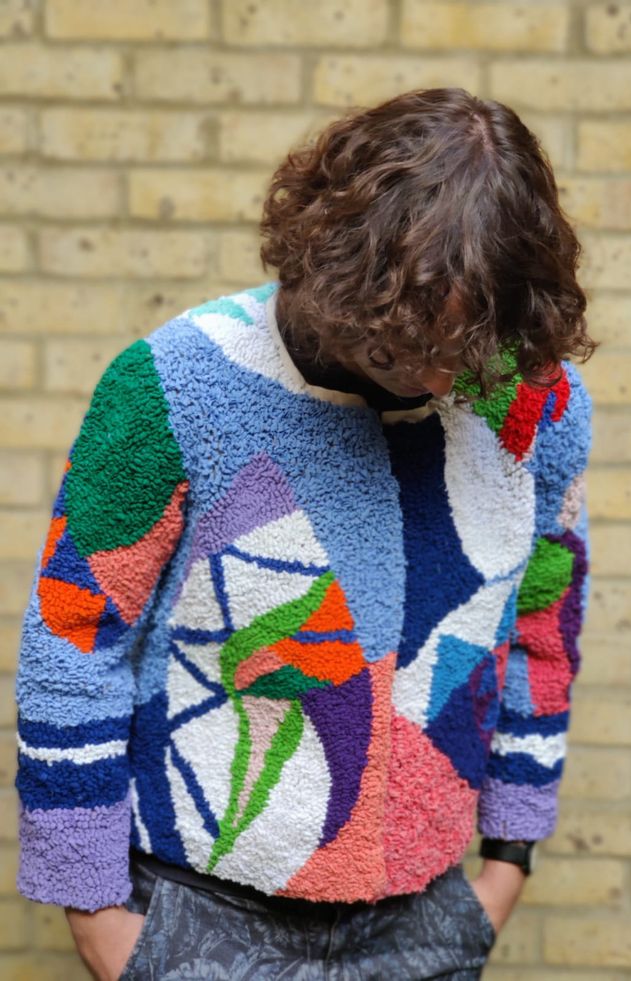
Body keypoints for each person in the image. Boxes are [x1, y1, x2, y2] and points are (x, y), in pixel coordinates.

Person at [14, 87, 596, 980]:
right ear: (343, 269)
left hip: (427, 919)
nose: (446, 374)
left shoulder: (535, 406)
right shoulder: (173, 382)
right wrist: (95, 910)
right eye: (413, 344)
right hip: (195, 911)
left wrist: (506, 861)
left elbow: (543, 635)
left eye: (470, 347)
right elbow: (75, 636)